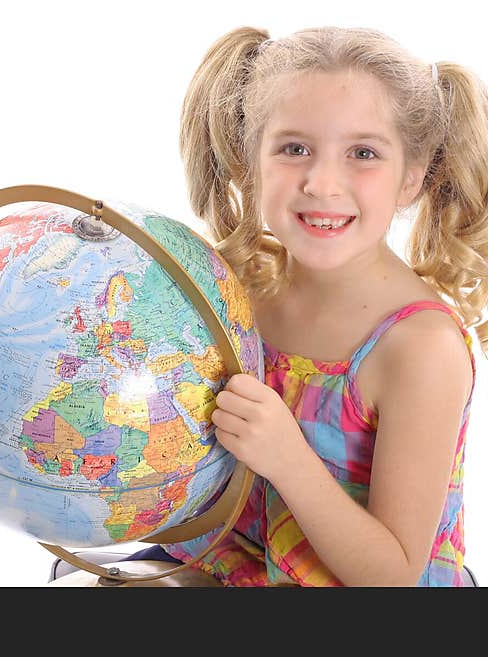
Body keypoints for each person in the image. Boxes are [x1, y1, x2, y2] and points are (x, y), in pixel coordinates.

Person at [128, 26, 488, 587]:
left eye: (363, 153)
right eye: (295, 149)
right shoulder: (237, 290)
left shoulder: (420, 349)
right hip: (221, 563)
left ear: (412, 176)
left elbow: (391, 576)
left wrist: (287, 458)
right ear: (252, 162)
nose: (322, 183)